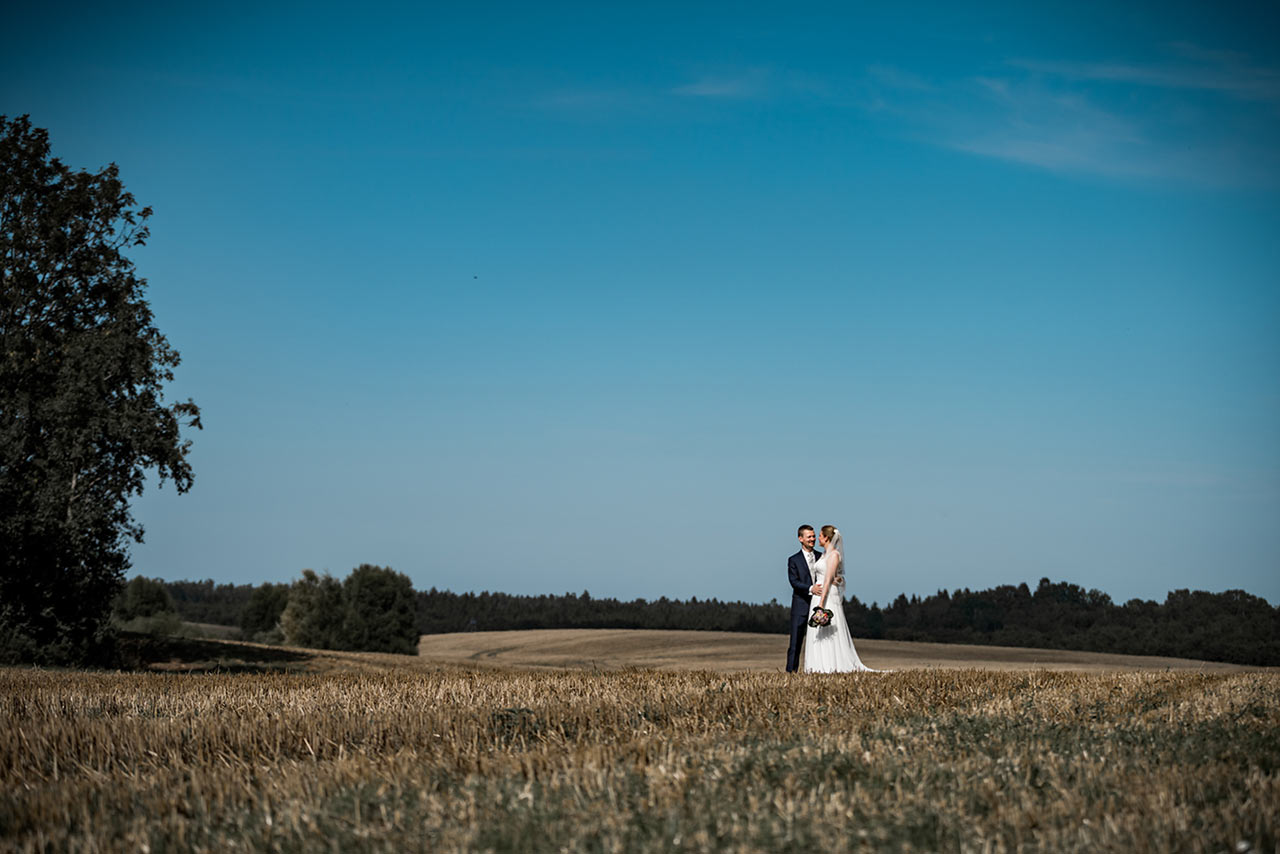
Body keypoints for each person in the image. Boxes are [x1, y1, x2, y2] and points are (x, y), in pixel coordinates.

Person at [804, 525, 881, 673]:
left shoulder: (834, 555)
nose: (817, 538)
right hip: (817, 595)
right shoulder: (824, 555)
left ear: (826, 537)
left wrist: (820, 605)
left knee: (830, 630)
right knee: (817, 631)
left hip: (825, 597)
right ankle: (817, 665)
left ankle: (830, 665)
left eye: (820, 535)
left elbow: (827, 581)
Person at [785, 525, 823, 672]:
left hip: (819, 605)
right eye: (809, 537)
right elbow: (794, 582)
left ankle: (818, 670)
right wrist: (810, 589)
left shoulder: (821, 557)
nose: (813, 539)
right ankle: (791, 673)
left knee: (820, 640)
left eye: (814, 536)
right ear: (800, 539)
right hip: (801, 606)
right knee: (795, 643)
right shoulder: (793, 560)